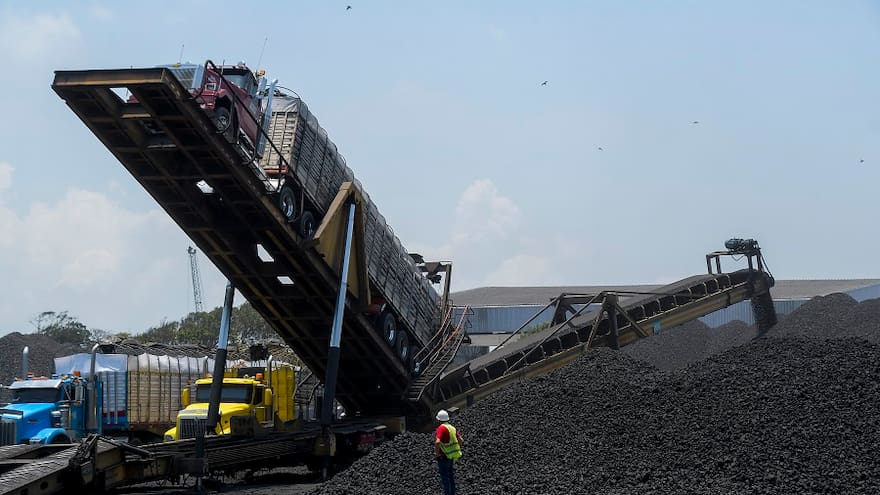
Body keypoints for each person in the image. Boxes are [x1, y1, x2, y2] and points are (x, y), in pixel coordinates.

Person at [434, 409, 463, 495]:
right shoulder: (452, 428)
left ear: (439, 420)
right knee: (451, 477)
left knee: (445, 479)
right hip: (451, 457)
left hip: (443, 457)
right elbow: (461, 440)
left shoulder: (441, 428)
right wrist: (456, 449)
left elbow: (437, 442)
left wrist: (437, 454)